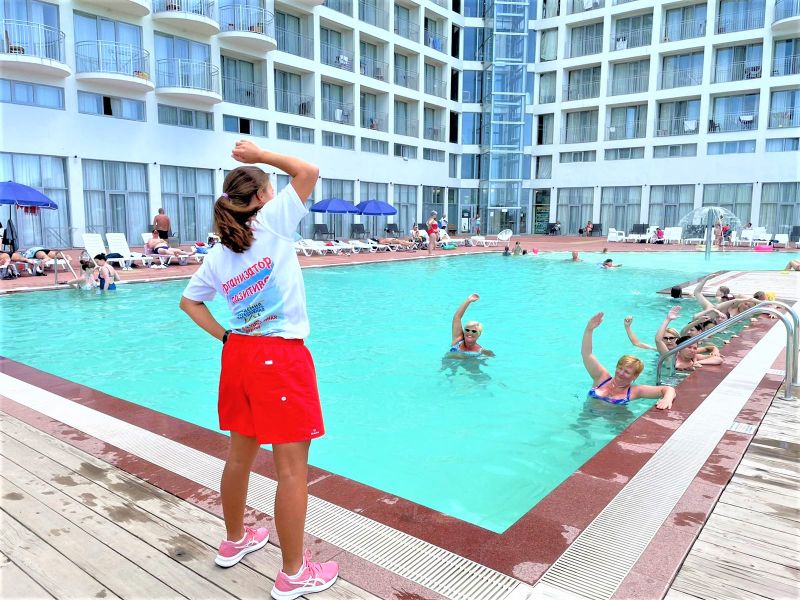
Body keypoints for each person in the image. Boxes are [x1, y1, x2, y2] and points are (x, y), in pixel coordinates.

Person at [179, 140, 339, 599]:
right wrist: (261, 156)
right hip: (279, 359)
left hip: (240, 356)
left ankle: (235, 540)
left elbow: (190, 303)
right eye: (271, 188)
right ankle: (293, 574)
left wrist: (226, 337)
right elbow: (308, 171)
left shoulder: (218, 254)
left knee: (238, 457)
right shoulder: (273, 222)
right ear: (263, 197)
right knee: (292, 472)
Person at [582, 312, 676, 409]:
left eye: (627, 372)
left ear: (635, 376)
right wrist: (589, 329)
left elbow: (668, 389)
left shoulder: (636, 391)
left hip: (617, 417)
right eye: (620, 368)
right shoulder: (601, 378)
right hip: (588, 415)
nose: (621, 373)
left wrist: (667, 399)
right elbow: (587, 354)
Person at [448, 293, 495, 357]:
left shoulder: (480, 351)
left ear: (479, 334)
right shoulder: (458, 340)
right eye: (467, 330)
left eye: (474, 331)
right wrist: (468, 301)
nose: (470, 332)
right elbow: (457, 317)